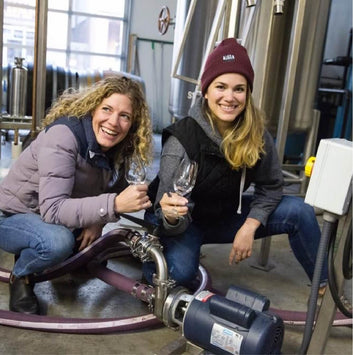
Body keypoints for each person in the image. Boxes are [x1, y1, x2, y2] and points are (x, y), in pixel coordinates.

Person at [144, 38, 328, 292]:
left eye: (239, 89)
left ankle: (326, 289)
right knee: (178, 276)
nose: (230, 97)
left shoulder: (257, 134)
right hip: (184, 222)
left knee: (299, 211)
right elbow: (168, 209)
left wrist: (250, 225)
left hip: (225, 215)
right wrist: (171, 218)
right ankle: (146, 253)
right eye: (221, 86)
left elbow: (272, 186)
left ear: (247, 93)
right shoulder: (182, 139)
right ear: (206, 90)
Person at [0, 75, 153, 314]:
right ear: (92, 108)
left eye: (125, 116)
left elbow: (113, 190)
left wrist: (97, 220)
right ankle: (22, 275)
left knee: (91, 253)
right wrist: (112, 205)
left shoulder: (119, 147)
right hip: (12, 215)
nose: (114, 122)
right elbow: (53, 210)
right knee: (57, 243)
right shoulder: (64, 136)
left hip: (51, 215)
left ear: (132, 124)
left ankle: (49, 249)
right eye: (107, 109)